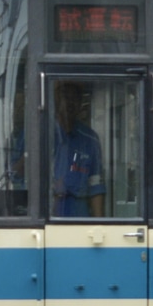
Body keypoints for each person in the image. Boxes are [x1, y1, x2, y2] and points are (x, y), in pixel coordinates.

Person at [51, 82, 105, 217]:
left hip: (79, 211)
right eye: (66, 97)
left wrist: (100, 224)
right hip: (48, 209)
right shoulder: (43, 133)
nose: (70, 103)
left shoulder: (90, 139)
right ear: (57, 99)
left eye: (75, 98)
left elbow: (95, 184)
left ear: (81, 103)